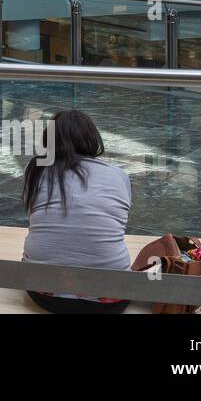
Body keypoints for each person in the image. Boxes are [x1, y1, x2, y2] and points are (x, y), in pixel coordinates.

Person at [21, 110, 132, 314]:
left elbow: (33, 216)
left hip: (45, 293)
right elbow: (119, 222)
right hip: (110, 298)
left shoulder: (36, 170)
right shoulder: (118, 175)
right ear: (92, 138)